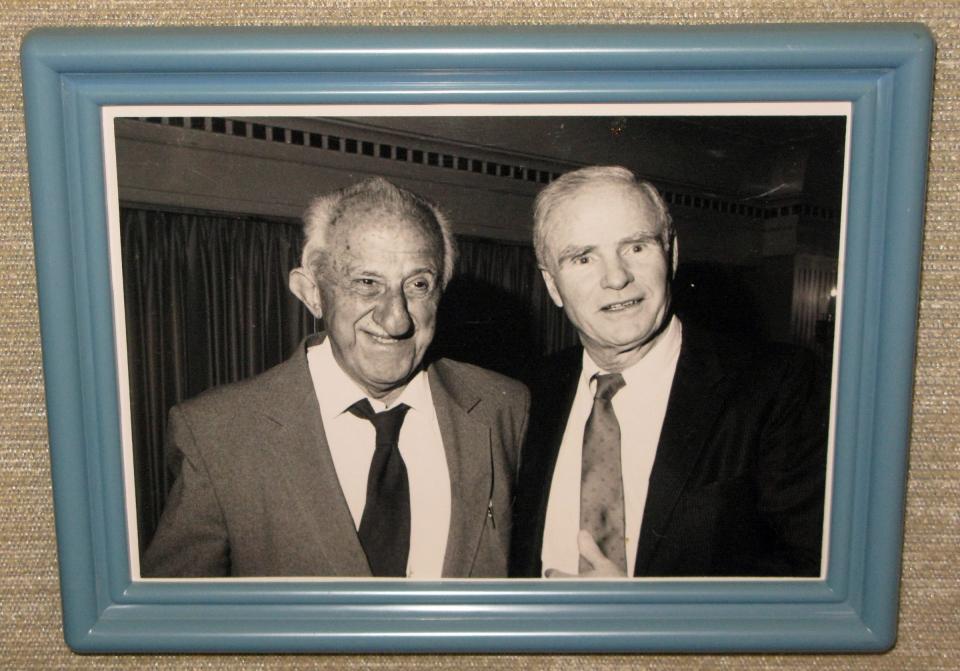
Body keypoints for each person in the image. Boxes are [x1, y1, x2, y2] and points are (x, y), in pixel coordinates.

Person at [142, 177, 529, 578]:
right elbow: (170, 624)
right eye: (366, 283)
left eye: (418, 285)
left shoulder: (503, 409)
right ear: (311, 293)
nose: (395, 319)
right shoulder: (218, 434)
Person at [510, 166, 828, 579]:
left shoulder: (780, 385)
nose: (617, 277)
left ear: (672, 254)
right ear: (552, 285)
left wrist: (649, 616)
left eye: (636, 247)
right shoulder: (525, 395)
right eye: (583, 257)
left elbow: (818, 575)